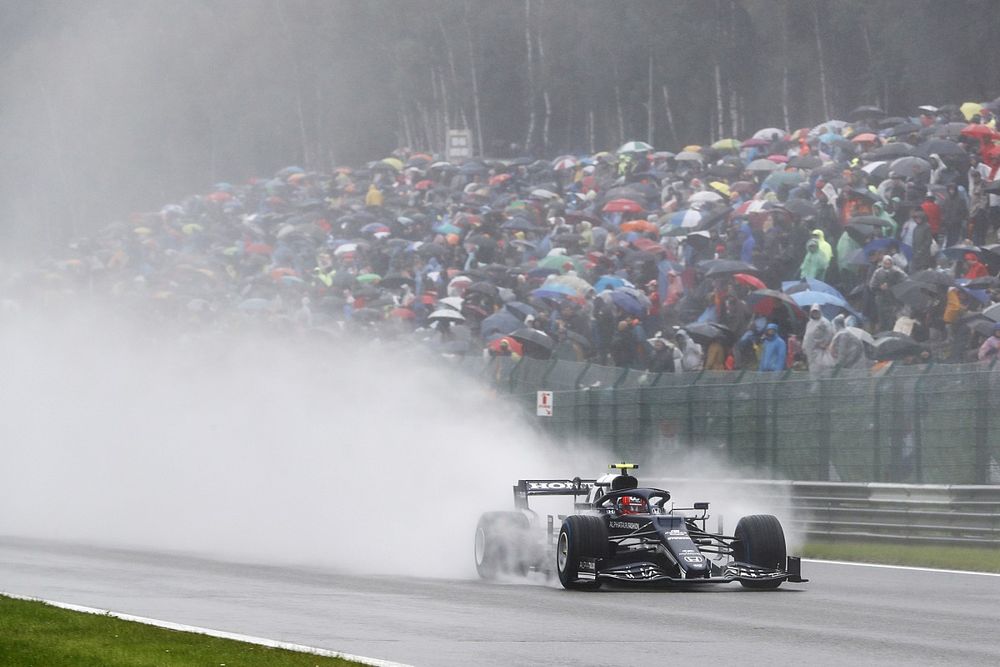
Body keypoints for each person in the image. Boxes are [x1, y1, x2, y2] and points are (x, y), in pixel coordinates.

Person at [803, 304, 834, 377]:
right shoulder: (810, 323)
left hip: (820, 351)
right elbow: (807, 335)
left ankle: (825, 387)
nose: (815, 313)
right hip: (810, 352)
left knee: (823, 372)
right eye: (813, 312)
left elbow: (830, 333)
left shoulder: (824, 322)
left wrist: (825, 344)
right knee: (813, 373)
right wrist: (804, 347)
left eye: (816, 311)